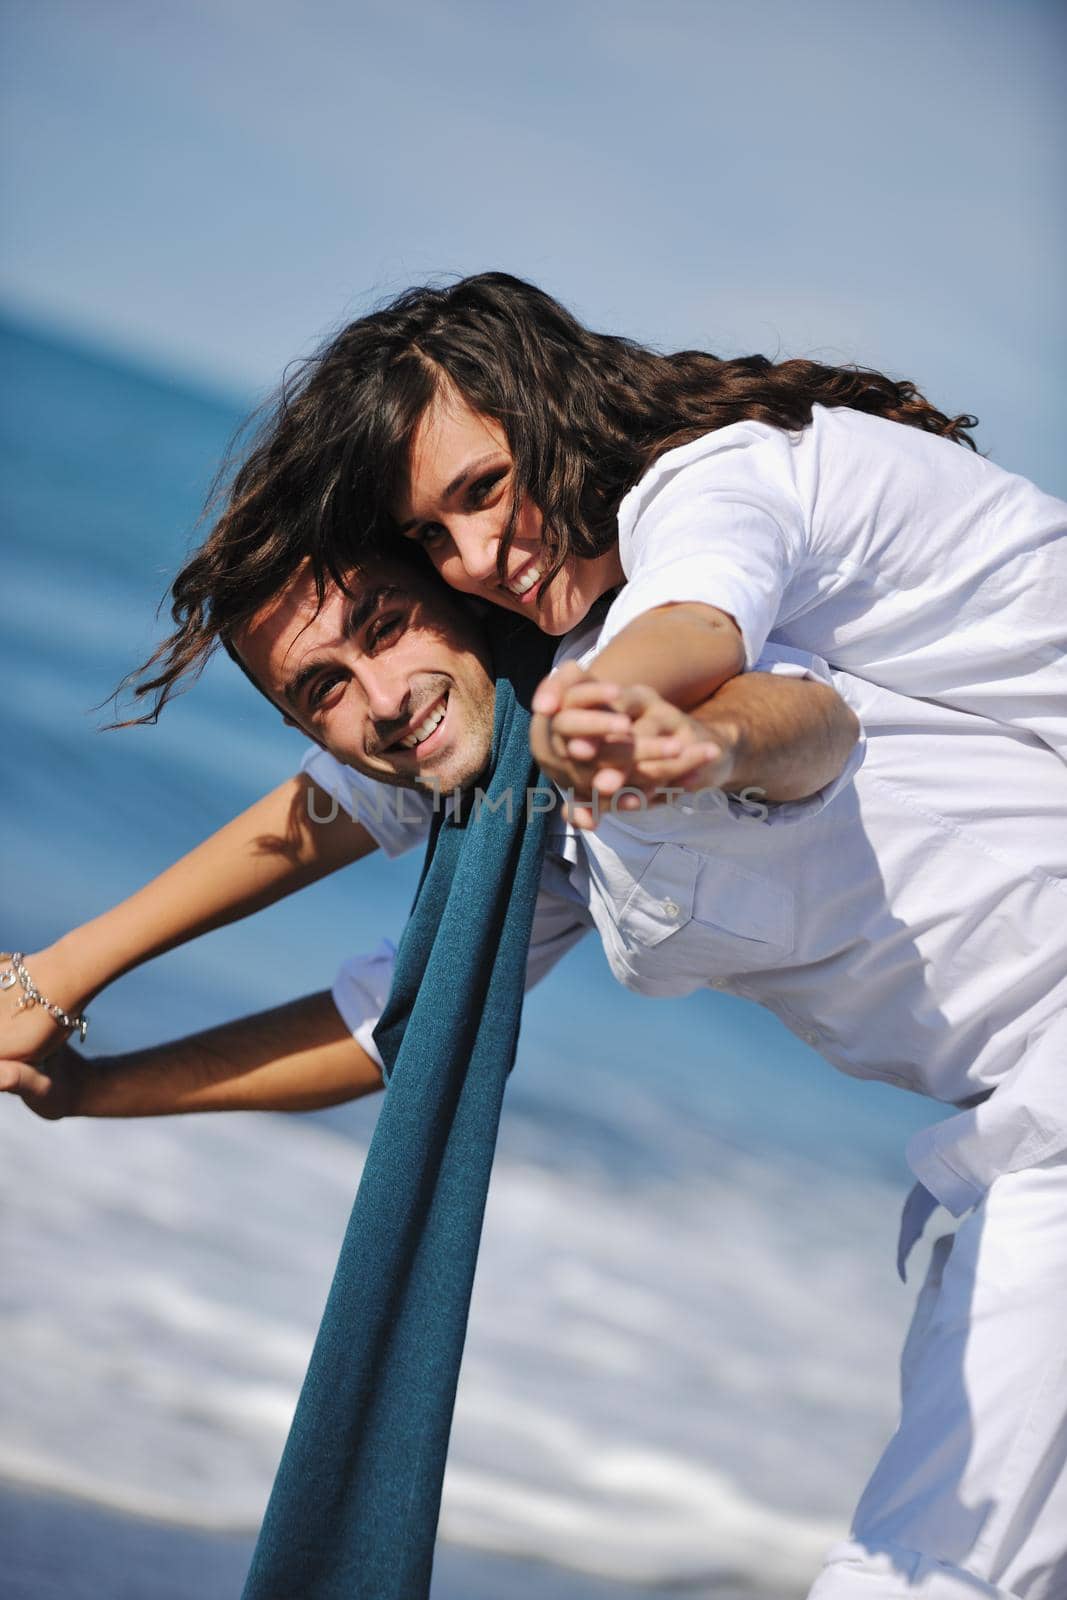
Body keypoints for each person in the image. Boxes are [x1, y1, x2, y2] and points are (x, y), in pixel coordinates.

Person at [6, 552, 1066, 1598]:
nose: (377, 698)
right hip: (1012, 1124)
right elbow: (400, 1022)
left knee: (918, 1572)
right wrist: (89, 1087)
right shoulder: (527, 815)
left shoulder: (618, 666)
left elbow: (809, 720)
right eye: (321, 688)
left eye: (385, 626)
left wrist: (701, 739)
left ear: (457, 599)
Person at [123, 271, 1064, 810]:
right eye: (431, 536)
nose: (479, 557)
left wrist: (601, 702)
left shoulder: (713, 480)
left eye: (486, 487)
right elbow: (351, 807)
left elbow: (697, 618)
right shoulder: (601, 572)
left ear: (556, 409)